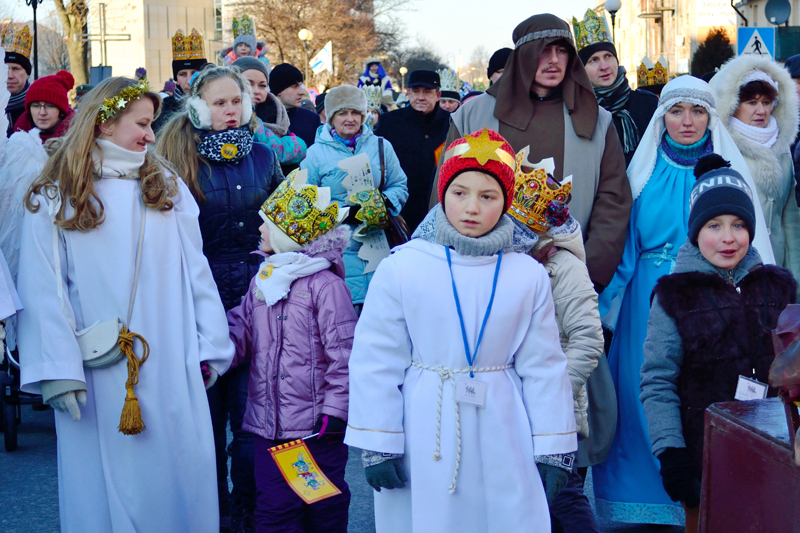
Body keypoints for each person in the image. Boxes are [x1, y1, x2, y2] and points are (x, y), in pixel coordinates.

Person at [16, 75, 234, 532]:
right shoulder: (57, 192)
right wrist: (56, 369)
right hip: (96, 369)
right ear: (104, 124)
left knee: (174, 478)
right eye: (142, 124)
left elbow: (196, 271)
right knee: (101, 486)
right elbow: (44, 286)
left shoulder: (165, 185)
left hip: (170, 361)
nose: (151, 136)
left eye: (153, 125)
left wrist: (211, 345)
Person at [345, 128, 577, 532]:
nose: (471, 207)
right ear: (442, 194)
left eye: (487, 196)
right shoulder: (403, 267)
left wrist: (553, 447)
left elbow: (543, 365)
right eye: (459, 192)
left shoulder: (525, 274)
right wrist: (378, 442)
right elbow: (376, 359)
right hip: (424, 421)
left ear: (505, 202)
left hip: (503, 419)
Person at [594, 75, 774, 526]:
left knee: (701, 397)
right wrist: (601, 312)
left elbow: (748, 243)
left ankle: (705, 497)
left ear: (711, 117)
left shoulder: (725, 174)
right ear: (662, 118)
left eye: (697, 111)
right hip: (646, 304)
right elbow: (625, 248)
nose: (687, 121)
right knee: (646, 395)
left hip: (711, 303)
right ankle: (645, 501)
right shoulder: (645, 171)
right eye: (676, 111)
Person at [156, 65, 284, 532]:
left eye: (237, 101)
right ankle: (213, 514)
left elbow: (278, 223)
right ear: (196, 107)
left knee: (251, 422)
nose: (230, 110)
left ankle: (249, 515)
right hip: (198, 305)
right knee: (204, 424)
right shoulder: (171, 156)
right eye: (219, 102)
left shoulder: (265, 156)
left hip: (256, 304)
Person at [641, 154, 797, 533]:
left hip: (776, 450)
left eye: (739, 225)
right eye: (714, 225)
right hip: (705, 455)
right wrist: (672, 453)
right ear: (695, 231)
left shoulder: (779, 286)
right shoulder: (675, 296)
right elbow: (657, 381)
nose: (728, 238)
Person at [431, 14, 631, 294]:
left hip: (567, 278)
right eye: (544, 50)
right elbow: (445, 192)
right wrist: (447, 261)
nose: (554, 60)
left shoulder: (598, 120)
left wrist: (590, 273)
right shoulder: (474, 115)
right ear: (524, 55)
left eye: (562, 51)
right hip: (479, 274)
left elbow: (613, 199)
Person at [227, 172, 357, 532]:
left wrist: (336, 410)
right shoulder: (264, 279)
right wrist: (214, 355)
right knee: (273, 507)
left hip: (316, 428)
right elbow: (242, 329)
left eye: (267, 225)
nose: (260, 231)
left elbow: (344, 355)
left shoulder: (326, 286)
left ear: (289, 234)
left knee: (322, 505)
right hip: (269, 425)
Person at [508, 163, 604, 533]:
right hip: (510, 404)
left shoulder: (564, 266)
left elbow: (588, 338)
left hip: (553, 407)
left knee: (563, 498)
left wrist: (554, 392)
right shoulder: (502, 261)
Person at [300, 85, 408, 308]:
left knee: (381, 310)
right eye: (342, 113)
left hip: (378, 242)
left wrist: (382, 203)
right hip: (337, 249)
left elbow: (399, 185)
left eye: (355, 112)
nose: (350, 119)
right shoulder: (316, 153)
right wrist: (340, 214)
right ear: (331, 117)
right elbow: (304, 200)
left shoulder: (381, 146)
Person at [710, 55, 800, 283]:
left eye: (766, 102)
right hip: (735, 267)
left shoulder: (782, 147)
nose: (761, 110)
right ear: (733, 104)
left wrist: (795, 275)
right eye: (751, 102)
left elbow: (789, 219)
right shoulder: (723, 147)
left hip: (776, 265)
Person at [573, 8, 658, 166]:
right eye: (593, 60)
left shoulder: (648, 104)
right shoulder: (578, 111)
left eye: (608, 56)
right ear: (581, 69)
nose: (604, 66)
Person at [376, 70, 450, 233]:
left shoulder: (451, 123)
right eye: (416, 92)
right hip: (400, 208)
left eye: (427, 92)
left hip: (439, 207)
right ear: (408, 93)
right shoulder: (390, 122)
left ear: (438, 95)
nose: (421, 97)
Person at [233, 56, 307, 167]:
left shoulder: (278, 116)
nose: (256, 91)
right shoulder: (230, 118)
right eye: (249, 83)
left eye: (262, 85)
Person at [152, 28, 208, 134]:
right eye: (182, 74)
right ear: (176, 79)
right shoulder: (163, 109)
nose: (189, 81)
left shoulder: (214, 103)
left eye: (194, 73)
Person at [269, 63, 320, 173]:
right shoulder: (261, 120)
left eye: (301, 86)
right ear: (279, 91)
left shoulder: (312, 119)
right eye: (295, 86)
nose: (302, 92)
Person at [12, 70, 76, 141]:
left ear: (61, 111)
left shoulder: (79, 139)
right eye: (36, 105)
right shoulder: (17, 136)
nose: (42, 112)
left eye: (50, 106)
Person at [2, 24, 32, 137]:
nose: (9, 75)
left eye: (16, 69)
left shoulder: (38, 109)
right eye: (5, 69)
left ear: (27, 73)